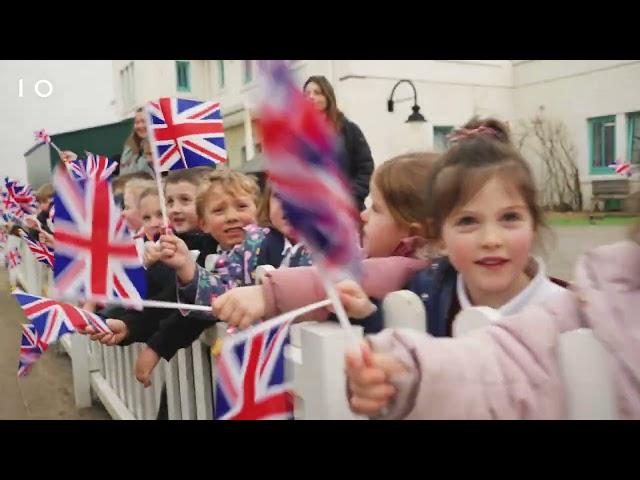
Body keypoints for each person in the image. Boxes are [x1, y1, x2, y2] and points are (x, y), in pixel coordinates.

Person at [207, 152, 439, 332]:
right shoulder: (257, 242)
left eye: (376, 209)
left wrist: (268, 295)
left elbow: (339, 278)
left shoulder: (348, 252)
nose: (363, 215)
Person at [303, 75, 374, 211]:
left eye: (317, 93)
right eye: (307, 94)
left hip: (347, 210)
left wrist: (351, 196)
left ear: (328, 97)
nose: (311, 97)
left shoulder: (349, 130)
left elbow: (366, 168)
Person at [119, 107, 149, 175]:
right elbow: (125, 175)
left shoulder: (167, 145)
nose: (140, 126)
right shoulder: (131, 144)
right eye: (137, 122)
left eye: (144, 121)